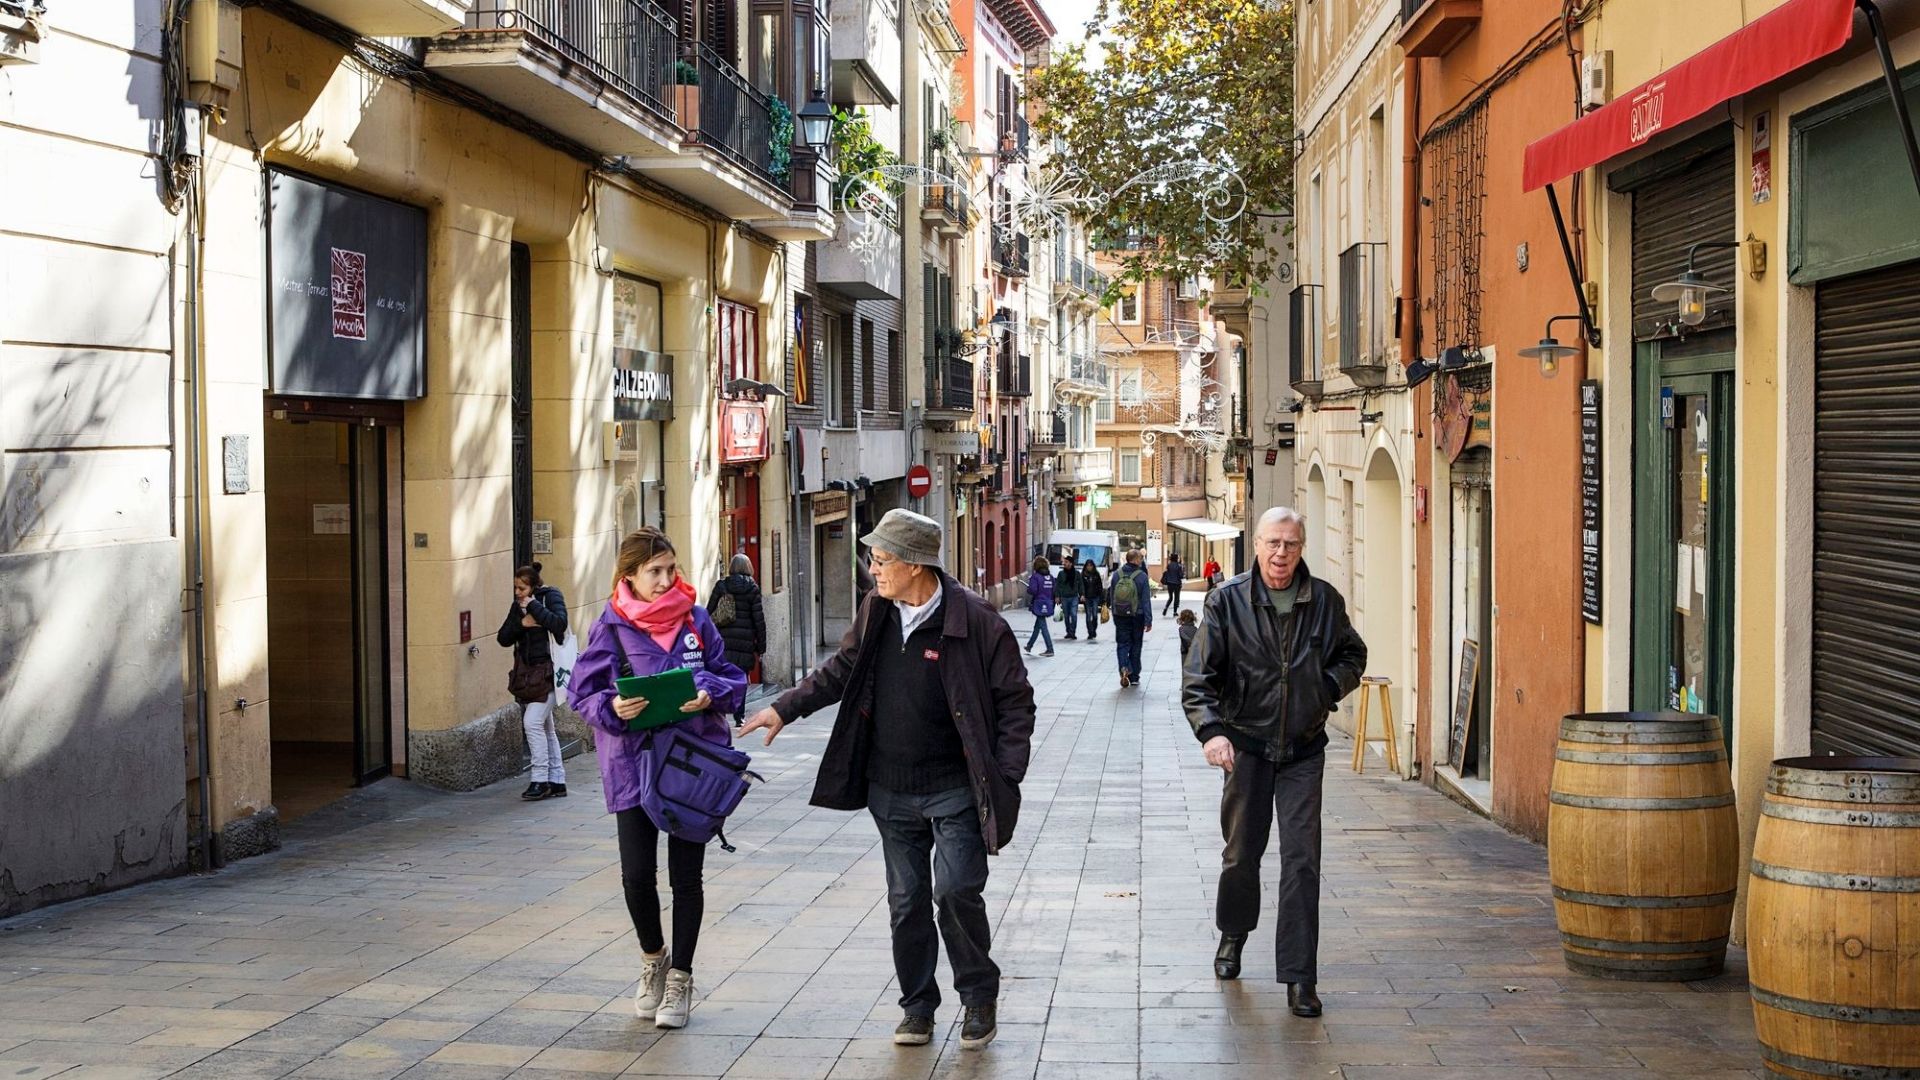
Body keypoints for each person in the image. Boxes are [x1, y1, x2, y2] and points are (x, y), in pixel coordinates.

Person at [741, 509, 1035, 1053]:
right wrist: (783, 709)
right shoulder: (877, 609)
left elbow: (1016, 702)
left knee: (955, 892)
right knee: (906, 900)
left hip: (955, 788)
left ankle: (977, 996)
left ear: (915, 565)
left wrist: (1007, 776)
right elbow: (841, 669)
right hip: (890, 787)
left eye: (880, 561)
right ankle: (918, 1007)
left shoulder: (977, 620)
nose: (872, 571)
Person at [1181, 507, 1366, 1019]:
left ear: (1302, 547)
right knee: (1242, 853)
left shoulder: (1325, 602)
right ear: (1257, 545)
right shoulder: (1227, 601)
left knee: (1303, 862)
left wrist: (1326, 689)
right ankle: (1233, 935)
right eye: (1272, 543)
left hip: (1304, 748)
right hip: (1248, 746)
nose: (1281, 553)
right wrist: (1212, 732)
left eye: (1290, 544)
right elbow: (1198, 678)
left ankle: (1300, 977)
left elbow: (1353, 655)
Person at [568, 528, 748, 1031]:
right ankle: (654, 958)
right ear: (629, 576)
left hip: (692, 766)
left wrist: (710, 692)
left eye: (672, 570)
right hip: (632, 765)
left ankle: (681, 980)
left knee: (686, 878)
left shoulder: (696, 619)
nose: (667, 580)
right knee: (635, 877)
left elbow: (732, 677)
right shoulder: (610, 626)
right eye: (655, 572)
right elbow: (582, 695)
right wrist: (614, 706)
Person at [499, 563, 569, 801]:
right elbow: (503, 638)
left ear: (534, 586)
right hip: (530, 676)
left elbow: (560, 624)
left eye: (522, 588)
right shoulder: (517, 607)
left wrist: (534, 607)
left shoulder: (551, 596)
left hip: (550, 672)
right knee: (546, 727)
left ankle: (539, 779)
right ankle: (557, 781)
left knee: (532, 723)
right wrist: (522, 623)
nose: (518, 592)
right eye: (515, 588)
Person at [707, 554, 767, 726]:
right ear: (748, 568)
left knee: (723, 677)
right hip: (745, 642)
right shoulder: (752, 589)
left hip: (723, 640)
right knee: (741, 679)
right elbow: (759, 620)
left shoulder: (721, 586)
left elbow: (708, 611)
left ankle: (721, 713)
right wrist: (761, 647)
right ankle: (739, 717)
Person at [1107, 549, 1153, 689]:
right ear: (1135, 560)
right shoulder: (1142, 576)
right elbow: (1146, 600)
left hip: (1120, 615)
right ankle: (1134, 676)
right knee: (1136, 644)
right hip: (1136, 615)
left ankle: (1124, 668)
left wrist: (1114, 612)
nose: (1141, 561)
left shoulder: (1116, 575)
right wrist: (1148, 620)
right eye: (1140, 558)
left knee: (1122, 643)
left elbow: (1111, 595)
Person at [1023, 557, 1056, 657]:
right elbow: (1054, 589)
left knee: (1043, 626)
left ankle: (1050, 649)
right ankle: (1029, 645)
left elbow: (1033, 590)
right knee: (1037, 626)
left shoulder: (1035, 577)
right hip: (1049, 602)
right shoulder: (1050, 577)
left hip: (1039, 603)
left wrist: (1029, 588)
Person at [1056, 558, 1084, 641]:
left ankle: (1072, 632)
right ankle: (1068, 632)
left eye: (1066, 562)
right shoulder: (1061, 573)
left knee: (1074, 615)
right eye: (1064, 562)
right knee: (1067, 616)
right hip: (1064, 597)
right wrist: (1057, 596)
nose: (1064, 563)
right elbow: (1058, 585)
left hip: (1074, 597)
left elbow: (1081, 585)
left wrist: (1082, 594)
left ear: (1071, 563)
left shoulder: (1077, 573)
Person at [1079, 560, 1104, 642]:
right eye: (1088, 566)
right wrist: (1082, 594)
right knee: (1088, 615)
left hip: (1095, 597)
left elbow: (1100, 586)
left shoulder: (1096, 574)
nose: (1089, 567)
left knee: (1095, 615)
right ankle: (1090, 632)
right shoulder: (1082, 575)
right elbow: (1081, 586)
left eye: (1091, 565)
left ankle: (1094, 629)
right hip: (1087, 597)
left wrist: (1102, 597)